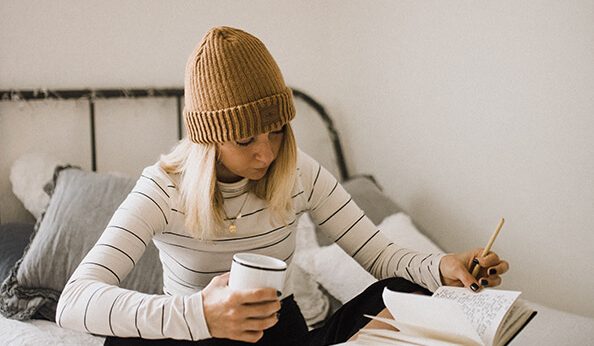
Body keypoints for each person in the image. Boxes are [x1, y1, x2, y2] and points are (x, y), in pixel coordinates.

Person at [55, 26, 509, 346]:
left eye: (276, 131)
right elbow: (73, 302)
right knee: (123, 339)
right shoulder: (162, 189)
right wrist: (200, 315)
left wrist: (444, 266)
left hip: (282, 336)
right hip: (198, 336)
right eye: (245, 139)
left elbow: (382, 255)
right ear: (207, 140)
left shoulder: (298, 173)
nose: (266, 153)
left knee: (407, 291)